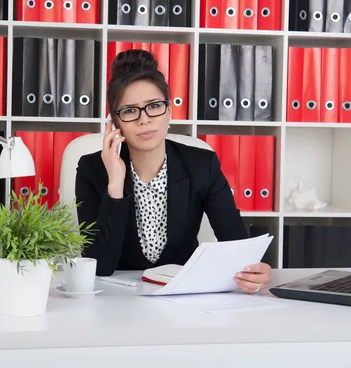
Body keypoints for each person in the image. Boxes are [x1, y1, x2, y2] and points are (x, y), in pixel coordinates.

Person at [75, 49, 271, 293]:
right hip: (117, 297)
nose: (144, 120)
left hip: (185, 295)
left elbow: (236, 248)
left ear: (169, 111)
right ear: (115, 123)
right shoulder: (92, 169)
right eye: (129, 111)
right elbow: (100, 267)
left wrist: (253, 271)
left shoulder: (202, 164)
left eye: (154, 106)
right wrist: (115, 186)